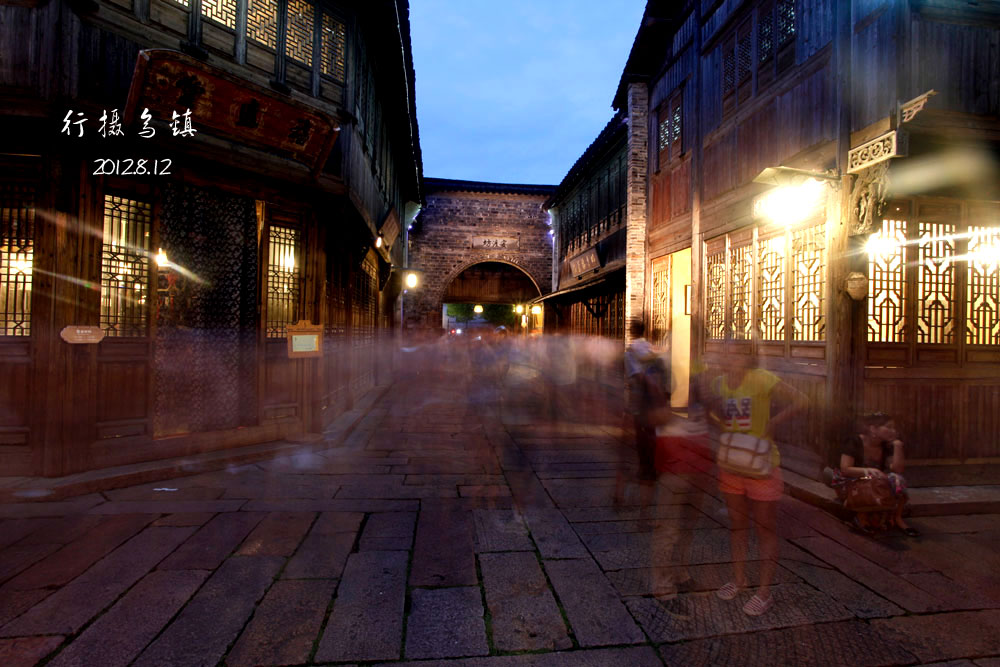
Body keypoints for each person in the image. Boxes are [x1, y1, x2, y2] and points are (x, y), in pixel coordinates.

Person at [708, 353, 806, 617]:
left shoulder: (762, 379)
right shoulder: (718, 383)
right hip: (731, 462)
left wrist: (773, 423)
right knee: (737, 525)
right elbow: (714, 411)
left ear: (746, 357)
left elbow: (802, 400)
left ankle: (764, 591)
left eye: (736, 352)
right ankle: (739, 579)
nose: (731, 357)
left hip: (761, 463)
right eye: (727, 352)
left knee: (765, 528)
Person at [835, 412, 918, 537]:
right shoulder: (854, 441)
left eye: (894, 428)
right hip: (850, 479)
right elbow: (845, 469)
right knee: (873, 478)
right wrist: (868, 471)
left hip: (873, 480)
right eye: (889, 427)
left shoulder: (886, 446)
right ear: (873, 429)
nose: (893, 431)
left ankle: (898, 518)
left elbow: (898, 470)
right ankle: (861, 517)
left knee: (897, 479)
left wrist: (898, 446)